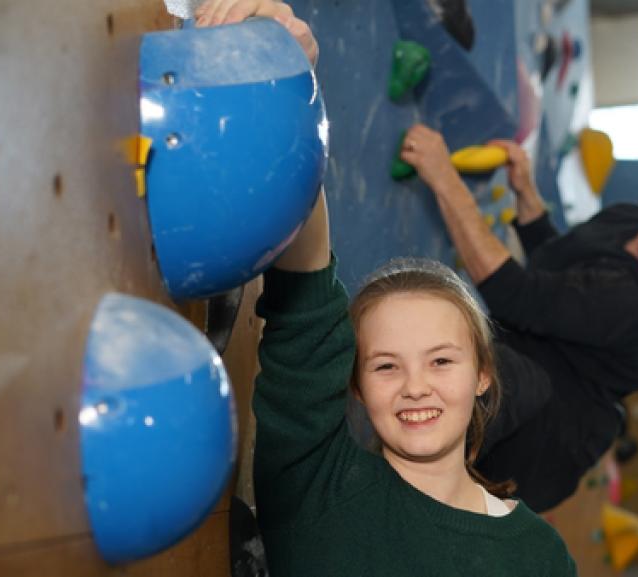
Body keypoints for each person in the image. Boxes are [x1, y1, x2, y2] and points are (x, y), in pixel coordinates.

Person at [196, 2, 578, 574]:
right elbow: (305, 289)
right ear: (352, 384)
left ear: (483, 374)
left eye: (442, 361)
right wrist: (291, 90)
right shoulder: (316, 484)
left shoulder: (538, 555)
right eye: (385, 366)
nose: (415, 387)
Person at [401, 125, 638, 511]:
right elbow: (559, 265)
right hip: (525, 362)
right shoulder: (629, 220)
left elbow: (517, 296)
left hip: (543, 427)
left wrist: (443, 178)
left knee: (466, 377)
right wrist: (526, 193)